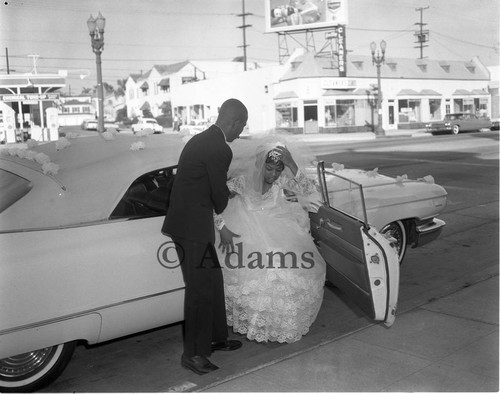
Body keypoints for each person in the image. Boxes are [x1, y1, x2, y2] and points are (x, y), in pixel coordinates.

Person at [162, 98, 248, 375]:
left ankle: (215, 337)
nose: (241, 132)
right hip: (191, 228)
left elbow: (201, 183)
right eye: (242, 126)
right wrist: (229, 193)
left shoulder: (201, 139)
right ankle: (194, 354)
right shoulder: (219, 148)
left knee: (213, 279)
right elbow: (217, 197)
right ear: (233, 121)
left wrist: (221, 192)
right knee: (199, 290)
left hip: (187, 222)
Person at [214, 139, 326, 343]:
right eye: (269, 168)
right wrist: (222, 228)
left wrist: (292, 164)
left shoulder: (282, 181)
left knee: (283, 274)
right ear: (259, 164)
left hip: (278, 233)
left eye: (277, 169)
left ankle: (278, 326)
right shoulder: (242, 182)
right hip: (246, 234)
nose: (273, 174)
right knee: (259, 276)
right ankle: (257, 323)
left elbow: (311, 192)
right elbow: (214, 204)